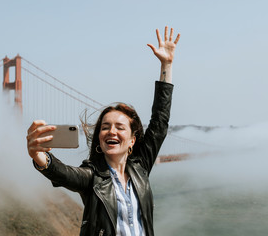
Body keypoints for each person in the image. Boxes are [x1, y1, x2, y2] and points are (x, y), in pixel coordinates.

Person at [26, 26, 180, 236]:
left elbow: (160, 122)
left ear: (132, 140)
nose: (111, 132)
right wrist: (38, 155)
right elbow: (63, 173)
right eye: (105, 127)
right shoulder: (92, 176)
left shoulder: (140, 168)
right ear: (99, 138)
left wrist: (166, 65)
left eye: (119, 127)